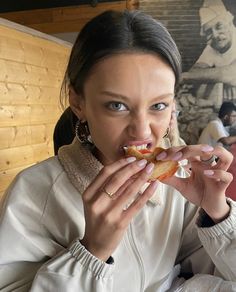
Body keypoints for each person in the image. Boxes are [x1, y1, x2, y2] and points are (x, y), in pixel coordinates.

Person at [0, 10, 236, 292]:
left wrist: (216, 214)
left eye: (158, 106)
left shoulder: (179, 182)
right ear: (78, 103)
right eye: (117, 106)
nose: (142, 131)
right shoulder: (33, 194)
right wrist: (92, 252)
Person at [181, 0, 236, 107]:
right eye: (209, 31)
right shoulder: (213, 46)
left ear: (229, 23)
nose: (215, 35)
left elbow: (229, 74)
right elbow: (196, 71)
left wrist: (183, 77)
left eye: (219, 26)